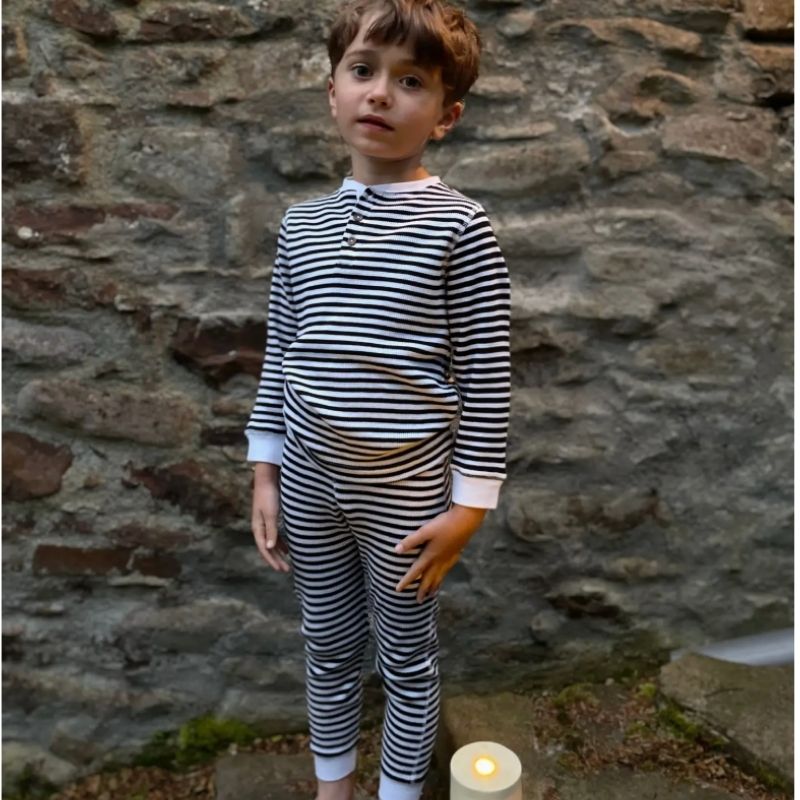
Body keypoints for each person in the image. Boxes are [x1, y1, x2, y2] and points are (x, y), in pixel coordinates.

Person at [245, 1, 511, 798]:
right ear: (333, 90)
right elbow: (282, 353)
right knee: (326, 644)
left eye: (412, 81)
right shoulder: (301, 227)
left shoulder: (461, 228)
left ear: (446, 116)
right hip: (310, 484)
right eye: (362, 71)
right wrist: (265, 470)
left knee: (405, 659)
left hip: (407, 498)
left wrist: (469, 509)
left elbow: (487, 377)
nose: (381, 93)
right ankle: (333, 787)